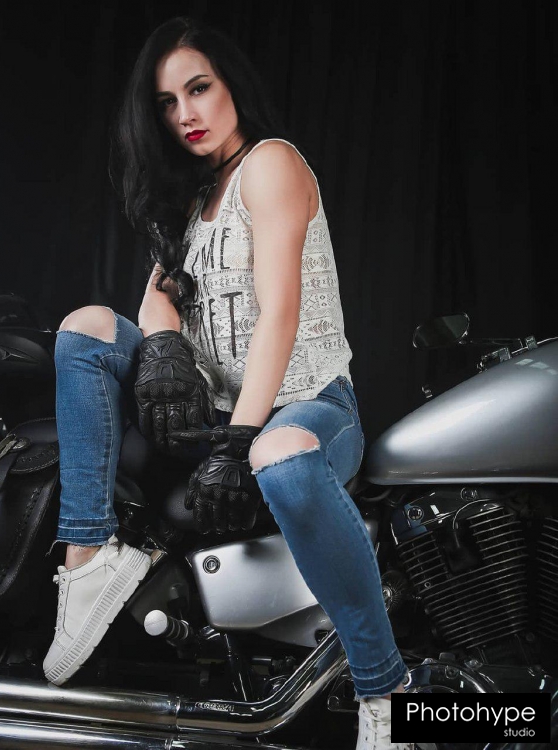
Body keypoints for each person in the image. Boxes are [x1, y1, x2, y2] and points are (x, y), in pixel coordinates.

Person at [42, 16, 411, 750]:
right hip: (214, 413)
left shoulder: (271, 164)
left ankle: (386, 691)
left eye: (199, 88)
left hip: (305, 402)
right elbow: (157, 295)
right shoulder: (193, 194)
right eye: (167, 102)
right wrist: (163, 346)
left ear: (231, 84)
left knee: (282, 458)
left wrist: (241, 440)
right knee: (84, 330)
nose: (186, 113)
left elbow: (280, 315)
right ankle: (89, 558)